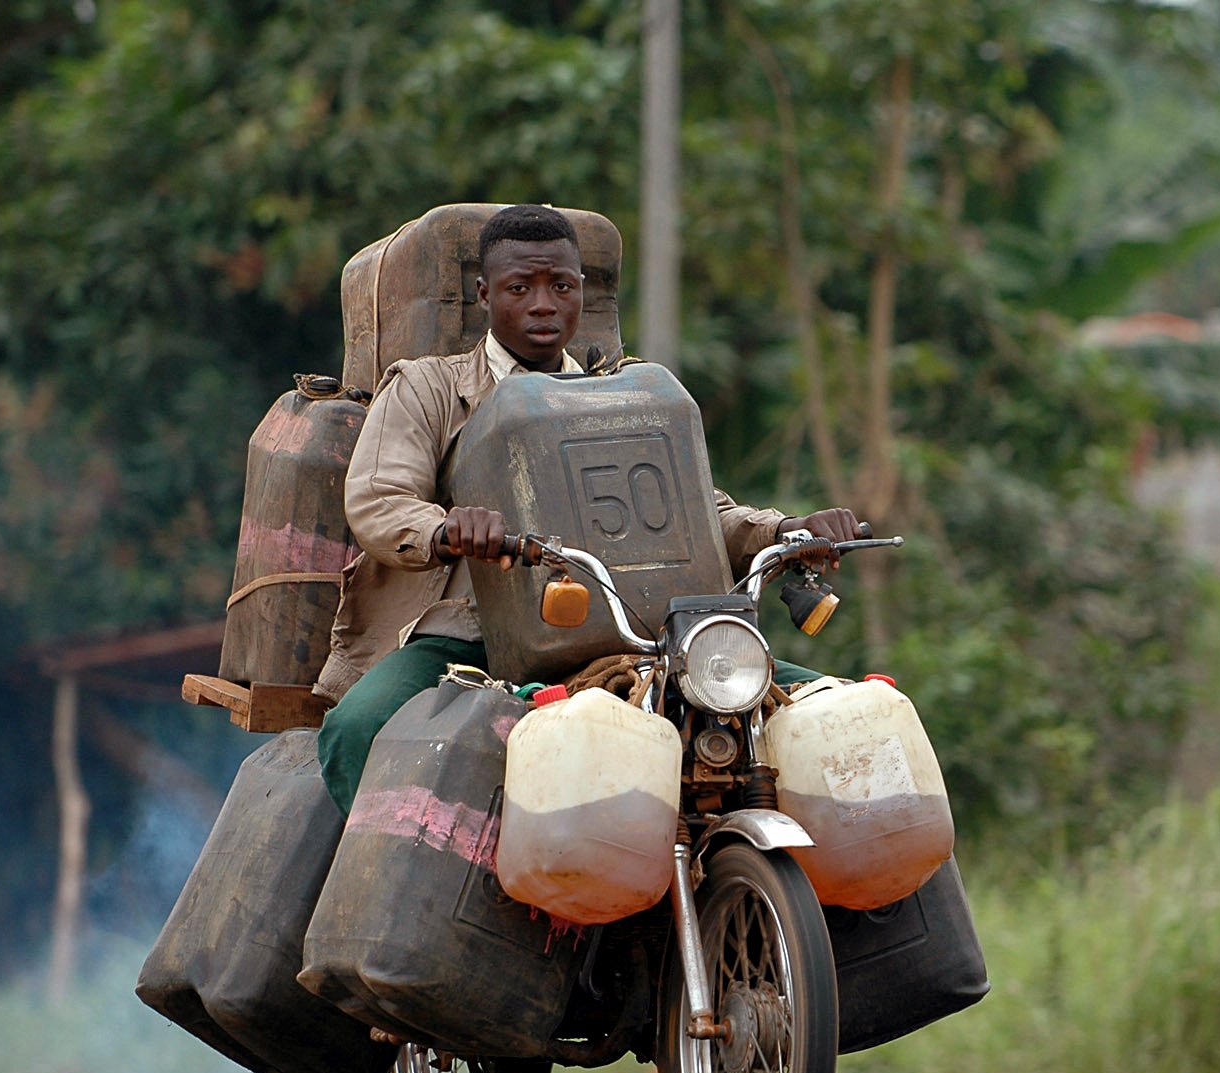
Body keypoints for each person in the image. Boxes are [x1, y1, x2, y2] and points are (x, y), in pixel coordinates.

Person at [315, 204, 857, 813]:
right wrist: (446, 530)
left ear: (583, 293)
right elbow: (379, 498)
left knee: (837, 711)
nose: (543, 304)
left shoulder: (630, 391)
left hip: (634, 632)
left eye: (562, 286)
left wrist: (787, 529)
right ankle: (402, 896)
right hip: (475, 638)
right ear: (484, 294)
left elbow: (701, 513)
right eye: (520, 288)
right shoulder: (429, 386)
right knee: (356, 732)